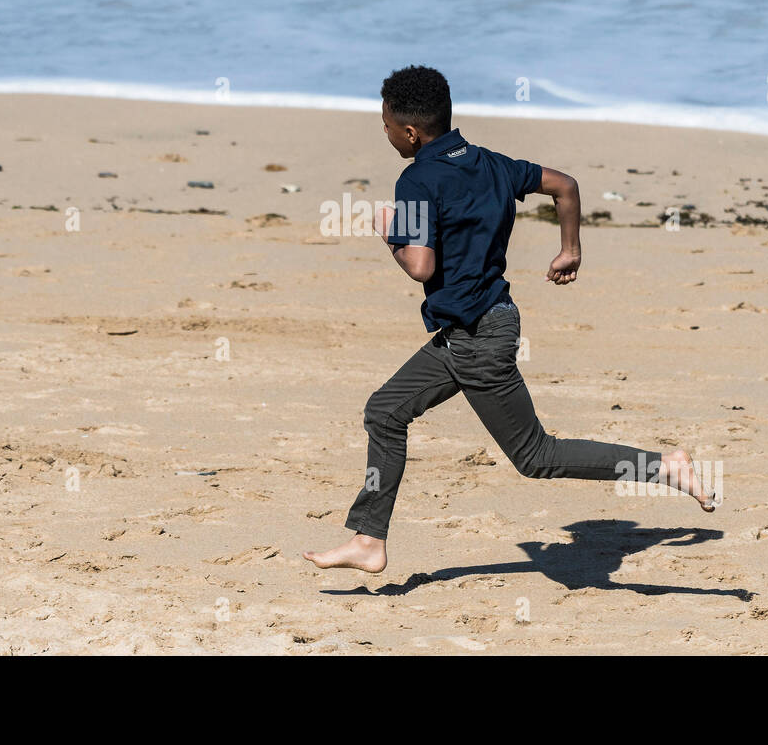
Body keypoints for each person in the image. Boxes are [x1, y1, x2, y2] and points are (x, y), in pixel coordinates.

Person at [304, 66, 717, 574]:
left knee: (536, 455)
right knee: (385, 412)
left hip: (476, 339)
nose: (385, 132)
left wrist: (388, 231)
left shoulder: (416, 180)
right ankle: (369, 540)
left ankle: (664, 467)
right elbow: (565, 185)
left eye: (385, 124)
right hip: (473, 330)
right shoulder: (489, 162)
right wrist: (570, 249)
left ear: (409, 132)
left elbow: (420, 266)